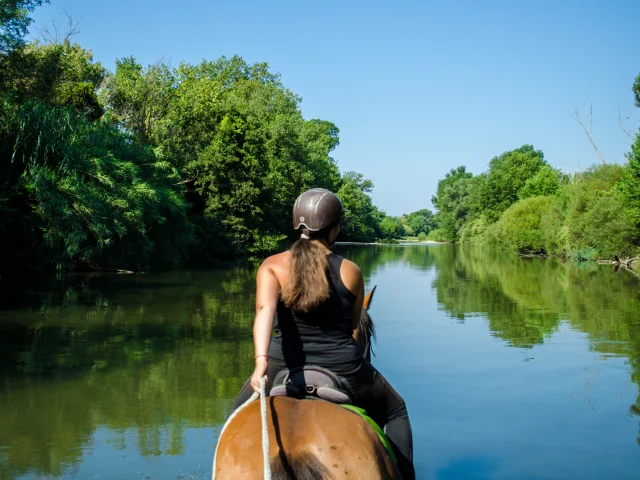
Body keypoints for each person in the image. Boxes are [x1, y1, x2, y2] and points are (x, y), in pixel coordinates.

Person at [229, 188, 415, 479]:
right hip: (344, 366)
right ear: (335, 229)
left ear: (296, 224)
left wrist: (261, 362)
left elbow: (264, 312)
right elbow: (354, 325)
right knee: (396, 411)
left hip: (282, 363)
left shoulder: (271, 266)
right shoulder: (350, 271)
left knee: (236, 420)